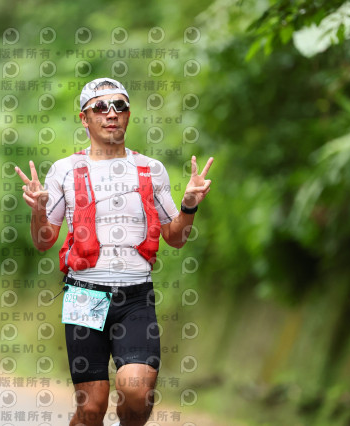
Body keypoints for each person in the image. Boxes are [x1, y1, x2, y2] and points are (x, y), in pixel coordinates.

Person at [16, 77, 213, 426]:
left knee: (137, 393)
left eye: (119, 106)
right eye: (100, 107)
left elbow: (176, 237)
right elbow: (44, 240)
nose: (111, 113)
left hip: (136, 297)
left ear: (128, 114)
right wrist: (38, 210)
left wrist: (189, 205)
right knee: (91, 409)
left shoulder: (151, 170)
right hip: (84, 295)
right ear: (84, 118)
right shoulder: (64, 170)